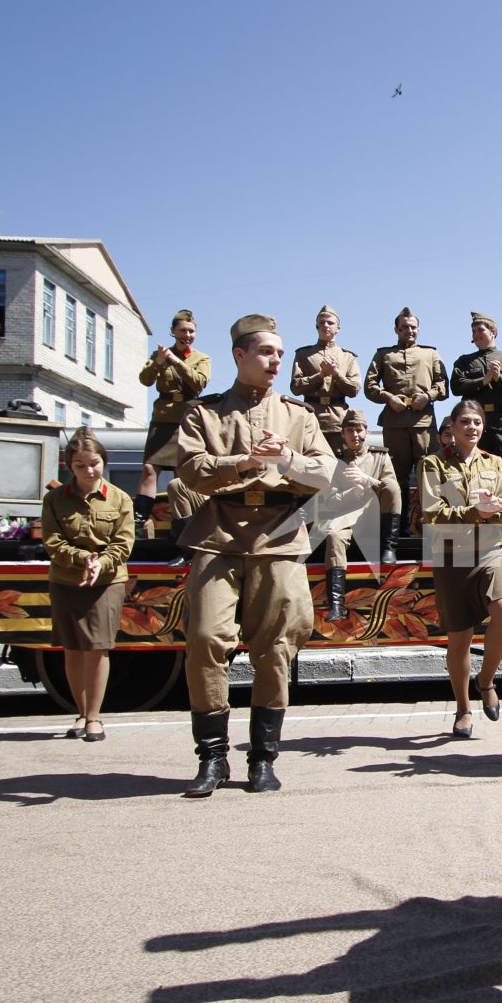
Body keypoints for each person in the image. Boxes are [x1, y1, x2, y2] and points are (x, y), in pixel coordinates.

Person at [172, 313, 336, 796]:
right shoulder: (203, 413)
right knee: (205, 639)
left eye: (281, 354)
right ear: (239, 356)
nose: (276, 361)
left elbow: (324, 471)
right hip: (219, 531)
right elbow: (191, 469)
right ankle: (213, 759)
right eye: (266, 352)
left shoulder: (299, 415)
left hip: (280, 534)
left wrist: (286, 461)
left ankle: (262, 759)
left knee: (276, 647)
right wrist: (244, 461)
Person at [418, 399, 502, 738]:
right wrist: (478, 512)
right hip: (451, 557)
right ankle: (463, 708)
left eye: (477, 422)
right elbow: (433, 513)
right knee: (459, 639)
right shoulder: (433, 464)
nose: (472, 427)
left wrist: (496, 508)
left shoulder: (495, 463)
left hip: (491, 550)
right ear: (453, 427)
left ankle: (486, 679)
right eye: (465, 422)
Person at [41, 430, 136, 740]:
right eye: (80, 465)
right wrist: (82, 559)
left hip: (107, 582)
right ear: (70, 466)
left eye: (94, 463)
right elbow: (53, 541)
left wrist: (100, 563)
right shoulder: (55, 499)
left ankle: (95, 718)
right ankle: (80, 714)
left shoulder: (120, 498)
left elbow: (123, 543)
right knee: (72, 649)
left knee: (97, 649)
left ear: (103, 462)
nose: (89, 471)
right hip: (67, 579)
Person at [314, 408, 401, 618]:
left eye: (359, 430)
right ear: (342, 434)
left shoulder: (380, 457)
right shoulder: (334, 462)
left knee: (391, 486)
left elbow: (389, 489)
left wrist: (366, 481)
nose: (355, 435)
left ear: (366, 432)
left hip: (374, 518)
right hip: (345, 519)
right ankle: (336, 604)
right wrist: (353, 492)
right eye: (350, 430)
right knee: (334, 537)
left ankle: (389, 547)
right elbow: (329, 500)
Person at [363, 307, 448, 499]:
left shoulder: (431, 354)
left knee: (429, 475)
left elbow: (443, 384)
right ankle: (397, 527)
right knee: (394, 477)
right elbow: (369, 385)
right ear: (396, 330)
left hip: (423, 423)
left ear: (418, 329)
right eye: (404, 327)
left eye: (413, 327)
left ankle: (427, 526)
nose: (409, 331)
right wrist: (389, 398)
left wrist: (428, 396)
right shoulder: (384, 355)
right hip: (394, 423)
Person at [137, 310, 211, 502]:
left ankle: (183, 519)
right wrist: (159, 362)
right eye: (182, 331)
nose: (187, 336)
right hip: (162, 416)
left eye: (191, 331)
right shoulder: (159, 355)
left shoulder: (201, 359)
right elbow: (145, 380)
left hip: (186, 418)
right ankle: (140, 519)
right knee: (149, 468)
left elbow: (199, 383)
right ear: (173, 331)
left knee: (182, 472)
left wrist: (176, 362)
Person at [450, 313, 502, 480]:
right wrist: (484, 380)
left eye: (480, 330)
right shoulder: (464, 361)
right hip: (475, 424)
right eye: (473, 331)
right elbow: (456, 387)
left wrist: (499, 378)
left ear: (494, 332)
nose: (476, 335)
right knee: (473, 467)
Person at [291, 305, 363, 439]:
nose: (326, 325)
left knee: (339, 460)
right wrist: (320, 375)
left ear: (338, 328)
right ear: (316, 327)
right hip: (311, 418)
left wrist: (336, 373)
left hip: (338, 420)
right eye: (322, 323)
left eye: (330, 323)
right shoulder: (304, 354)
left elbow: (354, 390)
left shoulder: (348, 357)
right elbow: (295, 387)